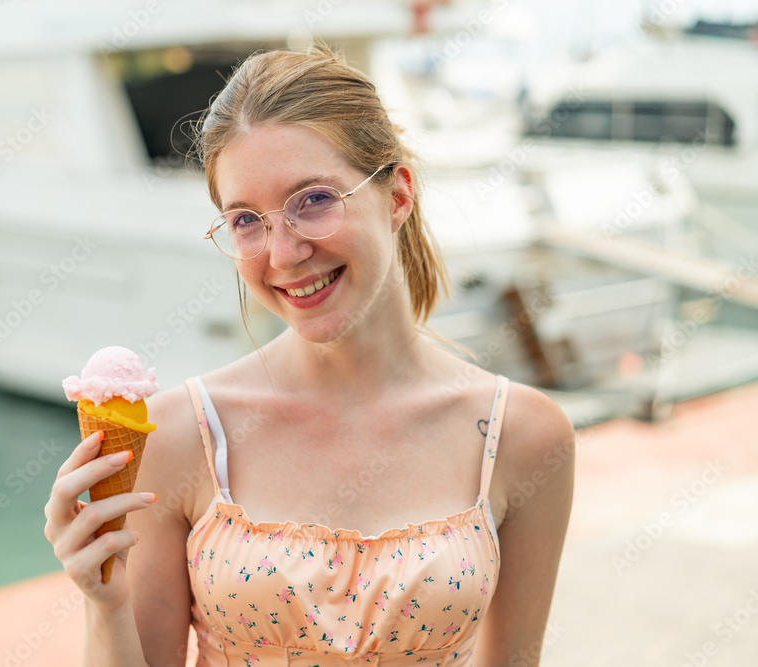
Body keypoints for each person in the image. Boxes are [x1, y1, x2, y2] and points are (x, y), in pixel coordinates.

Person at [44, 45, 575, 666]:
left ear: (397, 196)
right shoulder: (179, 438)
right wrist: (103, 603)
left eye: (315, 200)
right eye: (246, 220)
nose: (284, 254)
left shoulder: (522, 437)